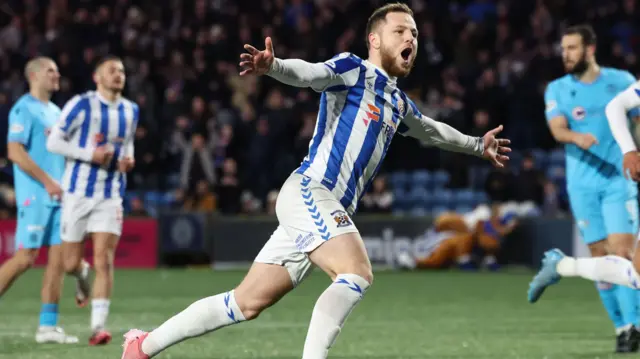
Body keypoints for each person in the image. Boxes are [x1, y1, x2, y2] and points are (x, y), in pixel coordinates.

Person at [120, 3, 510, 359]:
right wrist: (274, 67)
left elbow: (431, 131)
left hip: (321, 208)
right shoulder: (354, 69)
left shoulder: (398, 102)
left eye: (415, 34)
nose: (411, 38)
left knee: (245, 303)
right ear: (374, 39)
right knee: (356, 271)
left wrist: (478, 145)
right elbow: (312, 74)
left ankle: (142, 346)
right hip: (311, 191)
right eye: (401, 31)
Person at [526, 24, 640, 352]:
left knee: (624, 254)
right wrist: (578, 137)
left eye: (572, 48)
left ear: (590, 49)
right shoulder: (558, 89)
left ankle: (634, 325)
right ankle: (621, 327)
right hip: (583, 184)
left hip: (619, 180)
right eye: (563, 49)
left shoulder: (621, 82)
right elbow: (557, 129)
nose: (566, 54)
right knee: (600, 256)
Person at [46, 55, 138, 346]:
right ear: (97, 77)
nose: (118, 74)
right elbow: (54, 142)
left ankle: (98, 327)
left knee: (104, 259)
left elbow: (128, 142)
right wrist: (90, 154)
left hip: (110, 194)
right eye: (112, 70)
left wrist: (128, 159)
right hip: (77, 193)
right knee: (71, 262)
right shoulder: (81, 104)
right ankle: (81, 277)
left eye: (122, 70)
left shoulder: (131, 109)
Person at [0, 57, 85, 343]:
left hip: (60, 197)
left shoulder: (56, 111)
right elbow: (15, 151)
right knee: (25, 258)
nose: (57, 74)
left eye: (57, 70)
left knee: (58, 260)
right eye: (51, 70)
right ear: (34, 75)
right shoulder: (23, 109)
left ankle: (47, 327)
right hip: (36, 195)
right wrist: (48, 181)